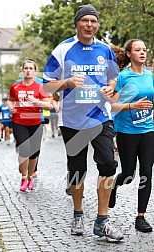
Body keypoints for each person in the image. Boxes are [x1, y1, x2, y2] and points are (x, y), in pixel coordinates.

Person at [43, 4, 123, 241]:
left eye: (93, 21)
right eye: (85, 20)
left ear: (97, 24)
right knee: (78, 170)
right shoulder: (63, 50)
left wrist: (111, 86)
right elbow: (46, 84)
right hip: (72, 121)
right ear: (77, 23)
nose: (90, 25)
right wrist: (66, 83)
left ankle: (102, 220)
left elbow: (113, 75)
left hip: (100, 116)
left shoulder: (104, 49)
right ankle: (78, 213)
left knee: (108, 165)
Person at [109, 39, 154, 233]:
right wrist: (132, 106)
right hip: (127, 132)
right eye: (138, 50)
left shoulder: (150, 75)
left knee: (147, 172)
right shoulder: (123, 77)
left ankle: (140, 217)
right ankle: (113, 187)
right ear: (129, 53)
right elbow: (112, 105)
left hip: (148, 130)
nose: (142, 53)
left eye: (144, 50)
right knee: (128, 175)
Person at [8, 59, 52, 191]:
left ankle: (30, 177)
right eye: (26, 68)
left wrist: (37, 101)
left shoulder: (39, 87)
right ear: (23, 71)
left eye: (30, 68)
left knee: (34, 153)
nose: (28, 70)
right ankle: (23, 178)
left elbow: (49, 105)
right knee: (24, 149)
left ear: (35, 70)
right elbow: (10, 101)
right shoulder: (15, 87)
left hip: (35, 122)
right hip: (19, 121)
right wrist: (11, 108)